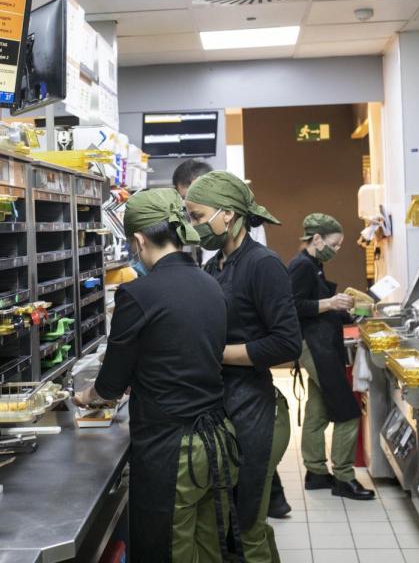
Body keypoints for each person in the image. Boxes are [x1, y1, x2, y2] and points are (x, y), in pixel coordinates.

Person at [75, 188, 242, 562]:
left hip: (173, 449)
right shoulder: (210, 284)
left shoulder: (137, 295)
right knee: (208, 546)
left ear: (138, 239)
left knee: (166, 551)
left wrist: (85, 396)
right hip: (216, 438)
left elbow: (110, 386)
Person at [185, 171, 302, 562]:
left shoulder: (262, 265)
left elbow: (287, 342)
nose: (195, 227)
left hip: (257, 410)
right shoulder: (216, 265)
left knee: (247, 524)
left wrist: (216, 353)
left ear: (229, 215)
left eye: (199, 217)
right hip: (228, 406)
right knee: (232, 524)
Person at [287, 213, 375, 500]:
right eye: (334, 244)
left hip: (322, 342)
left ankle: (315, 472)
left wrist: (347, 311)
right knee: (348, 412)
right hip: (315, 347)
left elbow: (319, 307)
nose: (337, 250)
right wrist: (329, 302)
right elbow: (292, 306)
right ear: (316, 239)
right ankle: (344, 477)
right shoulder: (301, 266)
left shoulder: (314, 264)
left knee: (318, 409)